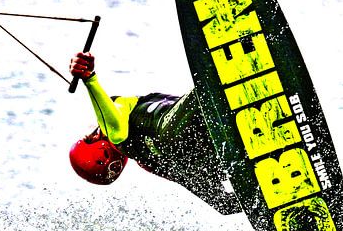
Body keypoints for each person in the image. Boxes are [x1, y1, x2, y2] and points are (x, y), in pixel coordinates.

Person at [68, 52, 242, 215]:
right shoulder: (118, 136)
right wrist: (89, 78)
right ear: (102, 150)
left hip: (206, 135)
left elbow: (221, 203)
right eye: (91, 137)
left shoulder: (147, 159)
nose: (96, 131)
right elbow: (116, 130)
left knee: (222, 205)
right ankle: (228, 65)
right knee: (221, 203)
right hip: (194, 132)